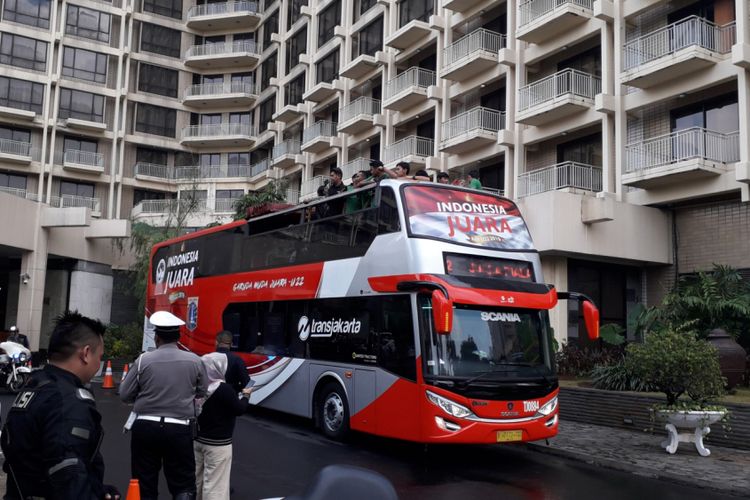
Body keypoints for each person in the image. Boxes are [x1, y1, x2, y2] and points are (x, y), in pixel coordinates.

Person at [1, 311, 120, 500]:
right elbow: (68, 475)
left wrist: (98, 490)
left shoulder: (34, 386)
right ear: (86, 353)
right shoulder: (68, 402)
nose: (99, 364)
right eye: (100, 356)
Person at [120, 310, 208, 500]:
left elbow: (125, 393)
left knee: (144, 480)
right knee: (183, 482)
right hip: (180, 428)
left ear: (157, 338)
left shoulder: (144, 360)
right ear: (178, 337)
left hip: (145, 426)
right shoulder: (195, 360)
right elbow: (202, 390)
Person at [194, 353, 251, 500]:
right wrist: (246, 396)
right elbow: (239, 409)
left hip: (197, 439)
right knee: (215, 485)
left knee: (196, 480)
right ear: (221, 368)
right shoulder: (224, 389)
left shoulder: (196, 385)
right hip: (218, 444)